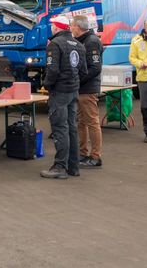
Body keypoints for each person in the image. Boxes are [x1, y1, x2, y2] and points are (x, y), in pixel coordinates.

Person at [40, 14, 87, 179]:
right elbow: (84, 71)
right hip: (73, 91)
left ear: (57, 27)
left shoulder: (55, 44)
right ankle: (73, 167)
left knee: (60, 128)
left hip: (59, 92)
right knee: (71, 128)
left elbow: (52, 70)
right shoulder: (79, 45)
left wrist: (46, 84)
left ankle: (60, 166)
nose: (51, 27)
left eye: (53, 25)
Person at [70, 15, 104, 169]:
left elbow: (95, 68)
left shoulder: (91, 42)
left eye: (72, 26)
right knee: (81, 122)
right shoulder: (82, 41)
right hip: (81, 88)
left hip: (88, 89)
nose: (70, 28)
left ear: (78, 27)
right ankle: (83, 153)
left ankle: (96, 156)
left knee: (92, 121)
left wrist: (78, 80)